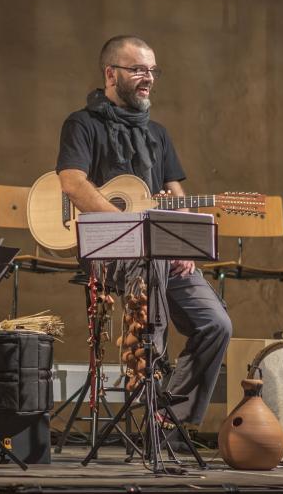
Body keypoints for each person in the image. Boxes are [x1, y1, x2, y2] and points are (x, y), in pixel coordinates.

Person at [56, 35, 232, 428]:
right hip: (110, 252)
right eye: (137, 69)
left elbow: (175, 193)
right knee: (149, 279)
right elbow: (72, 184)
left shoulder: (159, 134)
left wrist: (183, 236)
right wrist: (132, 227)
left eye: (152, 70)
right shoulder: (82, 125)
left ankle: (167, 419)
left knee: (216, 324)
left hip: (158, 248)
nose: (147, 77)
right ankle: (145, 398)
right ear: (110, 73)